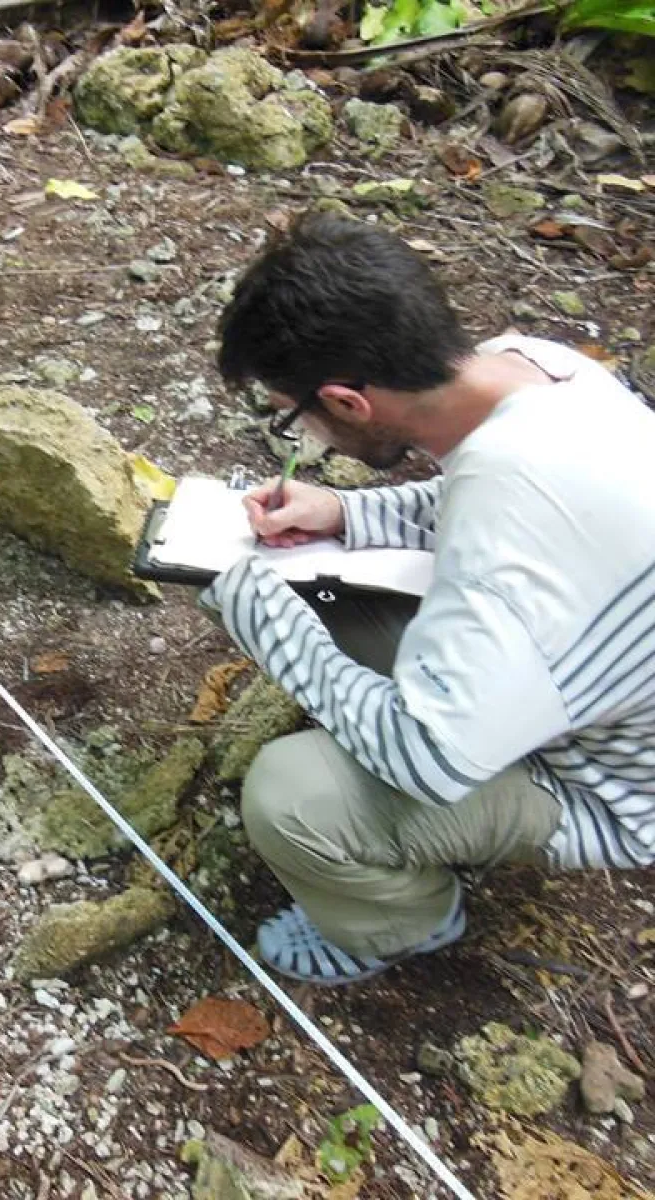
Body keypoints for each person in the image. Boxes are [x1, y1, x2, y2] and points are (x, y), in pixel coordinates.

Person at [201, 212, 655, 985]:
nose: (303, 435)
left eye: (293, 415)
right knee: (325, 590)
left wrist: (270, 628)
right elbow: (469, 501)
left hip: (611, 788)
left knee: (290, 795)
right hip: (592, 681)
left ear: (348, 403)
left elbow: (430, 761)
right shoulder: (535, 369)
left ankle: (403, 923)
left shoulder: (510, 530)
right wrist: (344, 514)